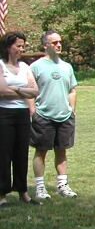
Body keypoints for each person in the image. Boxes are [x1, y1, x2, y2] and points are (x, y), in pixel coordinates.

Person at [29, 30, 78, 200]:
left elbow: (72, 90)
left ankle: (63, 186)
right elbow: (30, 93)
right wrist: (33, 113)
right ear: (45, 45)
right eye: (54, 42)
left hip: (64, 116)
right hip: (43, 116)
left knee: (62, 151)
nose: (59, 45)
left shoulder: (67, 67)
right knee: (41, 152)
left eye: (60, 42)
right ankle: (40, 188)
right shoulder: (35, 67)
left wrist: (72, 110)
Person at [0, 31, 39, 207]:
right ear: (9, 47)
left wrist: (15, 90)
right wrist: (23, 91)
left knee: (21, 153)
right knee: (4, 153)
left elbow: (35, 90)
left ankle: (23, 192)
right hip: (4, 113)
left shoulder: (25, 67)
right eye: (18, 45)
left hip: (23, 114)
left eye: (23, 46)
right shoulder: (1, 65)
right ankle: (2, 194)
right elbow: (1, 91)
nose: (21, 49)